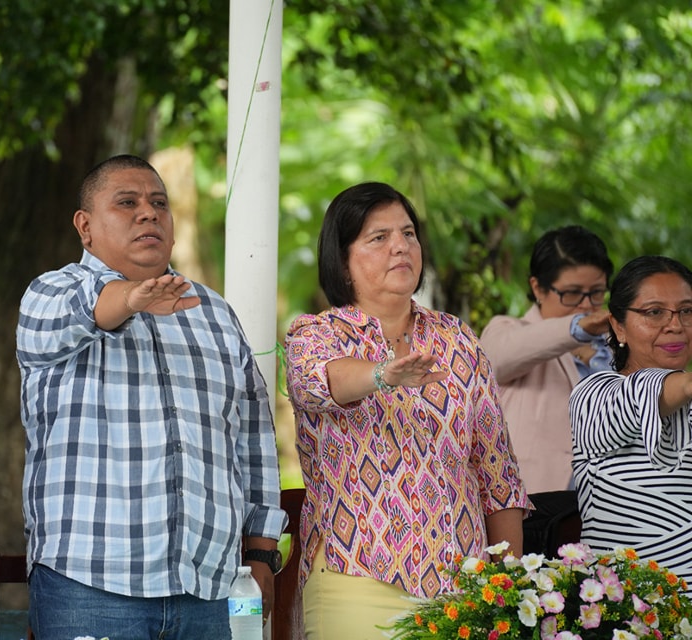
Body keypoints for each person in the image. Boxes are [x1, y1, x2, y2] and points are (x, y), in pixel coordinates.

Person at [16, 154, 286, 640]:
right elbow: (87, 312)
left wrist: (262, 553)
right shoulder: (49, 294)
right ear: (85, 226)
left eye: (159, 203)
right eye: (127, 203)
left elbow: (253, 440)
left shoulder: (215, 314)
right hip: (89, 584)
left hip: (211, 587)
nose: (148, 213)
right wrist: (132, 297)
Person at [284, 181, 530, 640]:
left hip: (463, 583)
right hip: (355, 574)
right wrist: (382, 374)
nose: (400, 246)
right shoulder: (315, 335)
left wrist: (506, 584)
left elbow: (497, 475)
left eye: (409, 234)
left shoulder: (458, 340)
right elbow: (317, 384)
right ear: (342, 260)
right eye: (379, 238)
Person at [570, 255, 692, 583]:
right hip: (625, 614)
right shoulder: (593, 395)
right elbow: (641, 396)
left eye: (687, 311)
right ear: (618, 325)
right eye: (654, 312)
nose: (676, 325)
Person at [481, 225, 614, 493]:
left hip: (609, 504)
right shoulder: (508, 330)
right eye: (572, 293)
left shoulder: (614, 345)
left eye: (597, 292)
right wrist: (580, 327)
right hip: (535, 503)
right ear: (538, 288)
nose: (586, 305)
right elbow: (497, 358)